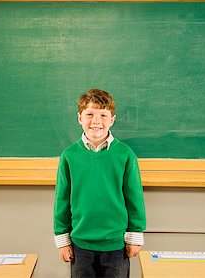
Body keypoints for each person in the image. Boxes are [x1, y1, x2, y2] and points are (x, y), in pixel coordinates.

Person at [53, 88, 146, 278]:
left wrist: (134, 236)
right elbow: (61, 200)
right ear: (80, 118)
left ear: (112, 119)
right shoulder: (69, 156)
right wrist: (62, 240)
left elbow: (134, 197)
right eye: (89, 114)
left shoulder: (125, 154)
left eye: (103, 115)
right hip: (80, 245)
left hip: (116, 245)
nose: (96, 121)